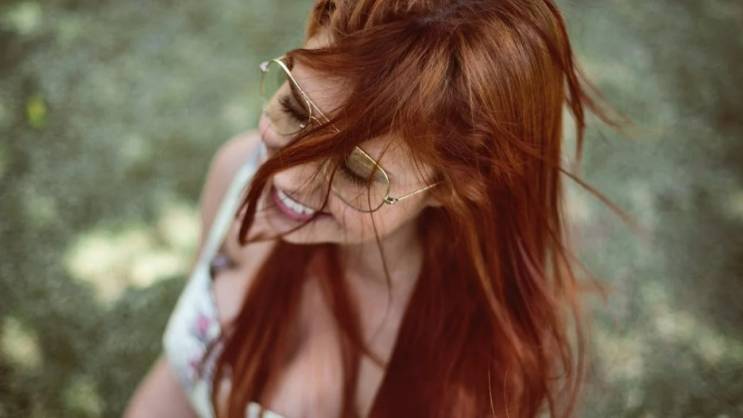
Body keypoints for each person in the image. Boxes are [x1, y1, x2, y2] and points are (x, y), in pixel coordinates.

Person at [124, 0, 628, 417]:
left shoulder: (467, 372)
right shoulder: (235, 171)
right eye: (294, 109)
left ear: (450, 187)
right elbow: (179, 377)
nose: (285, 177)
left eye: (357, 172)